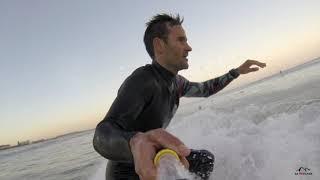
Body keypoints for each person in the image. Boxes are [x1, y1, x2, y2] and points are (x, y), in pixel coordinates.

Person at [93, 13, 266, 180]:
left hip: (159, 159)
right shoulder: (143, 80)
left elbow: (205, 89)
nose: (189, 47)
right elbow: (101, 135)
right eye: (181, 40)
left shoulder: (178, 83)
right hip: (126, 173)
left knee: (205, 161)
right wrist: (135, 142)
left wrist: (236, 72)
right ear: (159, 45)